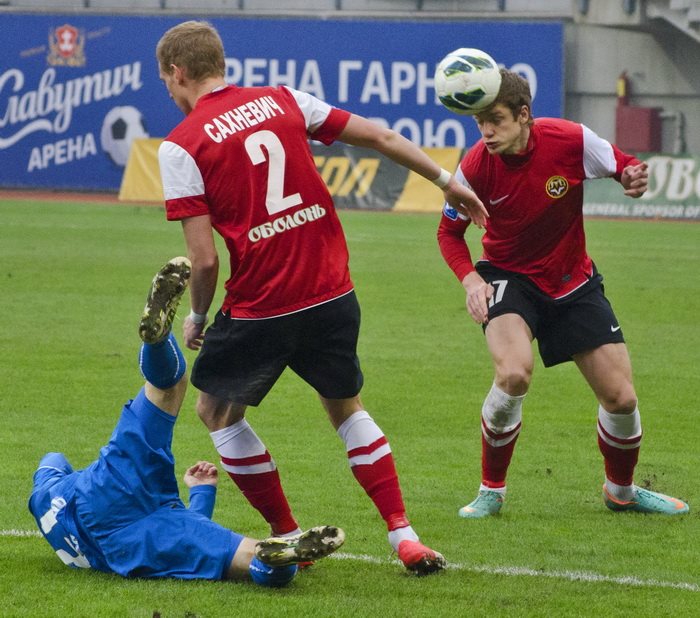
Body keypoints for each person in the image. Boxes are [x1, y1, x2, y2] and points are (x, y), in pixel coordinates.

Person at [155, 20, 487, 576]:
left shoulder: (181, 145)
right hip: (332, 291)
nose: (168, 90)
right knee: (345, 406)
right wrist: (445, 180)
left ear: (178, 71)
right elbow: (380, 137)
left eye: (165, 80)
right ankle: (403, 534)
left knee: (215, 410)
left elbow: (204, 260)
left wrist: (197, 315)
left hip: (263, 301)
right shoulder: (284, 99)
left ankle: (288, 535)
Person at [437, 69, 689, 519]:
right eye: (480, 122)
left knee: (622, 399)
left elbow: (624, 165)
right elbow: (448, 234)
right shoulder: (474, 167)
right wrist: (471, 280)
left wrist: (633, 177)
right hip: (508, 277)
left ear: (524, 115)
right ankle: (491, 490)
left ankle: (621, 492)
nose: (486, 132)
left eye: (496, 120)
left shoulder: (570, 140)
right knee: (514, 374)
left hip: (572, 280)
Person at [28, 257, 345, 586]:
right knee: (167, 388)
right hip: (108, 488)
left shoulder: (49, 502)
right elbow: (53, 459)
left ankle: (274, 562)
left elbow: (185, 530)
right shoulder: (46, 494)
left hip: (129, 546)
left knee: (230, 553)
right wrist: (201, 492)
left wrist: (202, 493)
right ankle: (157, 341)